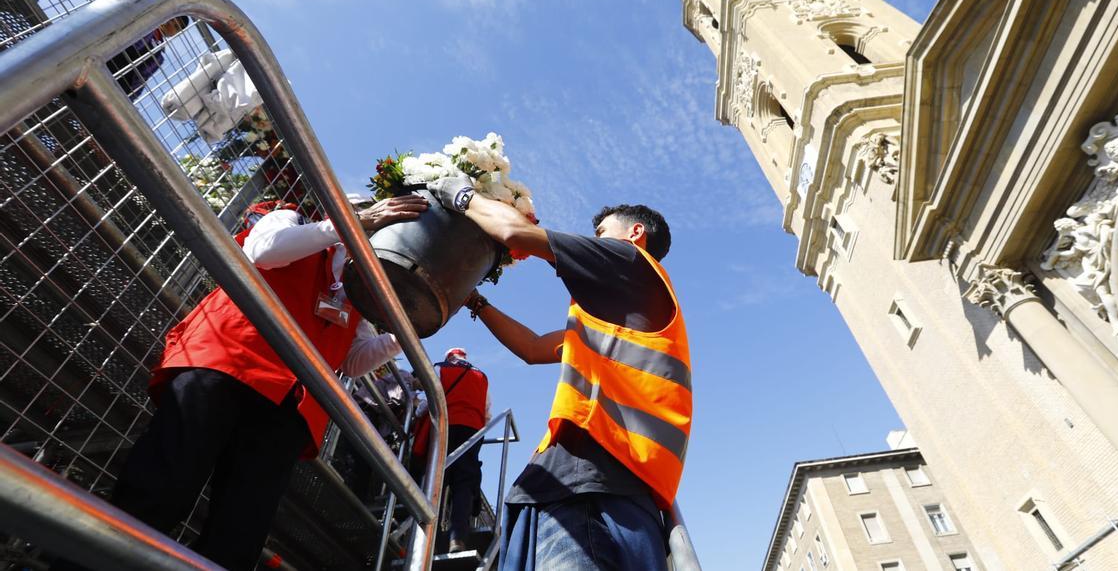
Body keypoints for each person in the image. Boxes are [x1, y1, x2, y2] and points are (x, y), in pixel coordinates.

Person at [57, 193, 428, 571]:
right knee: (159, 489)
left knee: (240, 536)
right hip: (228, 363)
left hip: (290, 405)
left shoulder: (356, 290)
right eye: (369, 219)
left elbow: (352, 361)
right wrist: (347, 226)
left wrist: (405, 330)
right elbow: (264, 251)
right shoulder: (291, 218)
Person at [428, 177, 692, 571]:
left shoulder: (631, 262)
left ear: (635, 234)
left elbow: (514, 232)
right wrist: (476, 301)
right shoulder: (618, 321)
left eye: (601, 233)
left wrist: (459, 193)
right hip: (601, 487)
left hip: (590, 487)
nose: (595, 240)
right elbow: (534, 348)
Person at [409, 347, 491, 553]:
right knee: (463, 483)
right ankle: (457, 538)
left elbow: (429, 400)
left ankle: (424, 535)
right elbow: (487, 412)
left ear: (448, 357)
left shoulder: (439, 369)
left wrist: (417, 413)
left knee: (436, 478)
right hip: (472, 431)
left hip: (445, 427)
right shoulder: (481, 376)